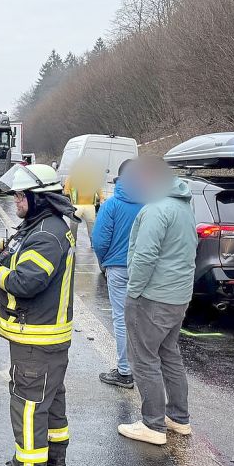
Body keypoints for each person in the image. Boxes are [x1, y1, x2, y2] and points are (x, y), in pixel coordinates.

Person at [0, 163, 78, 466]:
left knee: (29, 401)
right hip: (44, 335)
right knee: (51, 396)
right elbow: (20, 254)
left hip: (36, 335)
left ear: (40, 198)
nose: (16, 200)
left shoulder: (46, 234)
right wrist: (0, 253)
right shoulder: (40, 226)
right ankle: (54, 457)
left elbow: (25, 282)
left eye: (21, 195)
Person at [117, 157, 197, 445]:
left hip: (152, 298)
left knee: (144, 359)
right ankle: (178, 418)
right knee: (169, 354)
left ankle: (152, 425)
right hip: (177, 297)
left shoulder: (156, 209)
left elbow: (145, 256)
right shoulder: (183, 205)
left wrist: (133, 292)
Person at [91, 160, 142, 388]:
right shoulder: (151, 203)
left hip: (119, 268)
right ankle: (144, 369)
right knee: (143, 320)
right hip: (145, 269)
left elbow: (100, 240)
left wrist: (104, 263)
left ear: (119, 179)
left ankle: (124, 371)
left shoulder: (112, 205)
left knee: (121, 319)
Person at [63, 159, 104, 244]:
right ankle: (73, 241)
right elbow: (66, 189)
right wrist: (68, 199)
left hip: (89, 205)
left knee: (91, 224)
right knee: (74, 224)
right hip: (76, 205)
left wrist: (101, 198)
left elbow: (98, 189)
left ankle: (93, 243)